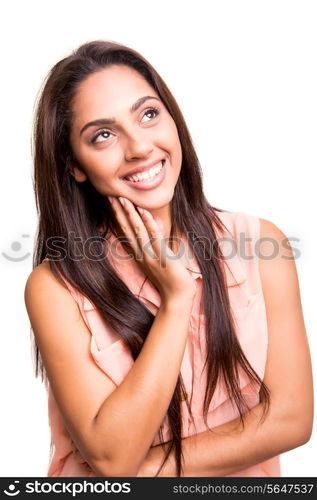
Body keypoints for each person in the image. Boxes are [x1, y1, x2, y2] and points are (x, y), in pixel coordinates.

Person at [24, 40, 313, 478]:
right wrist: (176, 299)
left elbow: (291, 420)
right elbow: (109, 455)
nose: (139, 147)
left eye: (148, 114)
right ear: (74, 164)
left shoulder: (260, 246)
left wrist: (143, 473)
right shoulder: (56, 286)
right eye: (103, 135)